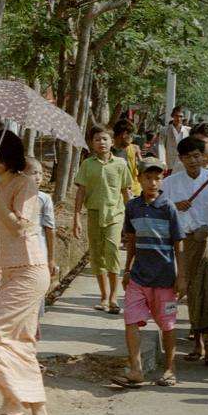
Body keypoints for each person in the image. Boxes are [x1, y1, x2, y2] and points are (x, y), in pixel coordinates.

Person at [113, 158, 186, 388]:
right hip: (138, 277)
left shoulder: (168, 207)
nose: (153, 182)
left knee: (168, 324)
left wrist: (181, 275)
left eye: (157, 178)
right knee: (131, 320)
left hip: (164, 279)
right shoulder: (132, 207)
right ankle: (136, 369)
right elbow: (131, 240)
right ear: (139, 179)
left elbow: (178, 243)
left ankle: (170, 369)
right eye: (148, 178)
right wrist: (127, 269)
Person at [0, 130, 51, 415]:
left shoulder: (24, 183)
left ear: (4, 159)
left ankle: (15, 400)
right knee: (21, 343)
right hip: (9, 270)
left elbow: (20, 227)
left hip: (30, 270)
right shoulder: (1, 184)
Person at [162, 137, 208, 365]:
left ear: (204, 156)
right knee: (190, 293)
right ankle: (197, 344)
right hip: (183, 243)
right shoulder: (169, 183)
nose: (192, 161)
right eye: (187, 157)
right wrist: (174, 206)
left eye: (197, 156)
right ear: (180, 159)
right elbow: (159, 209)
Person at [73, 125, 133, 313]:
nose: (101, 142)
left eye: (105, 139)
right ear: (92, 143)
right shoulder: (87, 164)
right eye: (97, 139)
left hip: (115, 214)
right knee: (97, 255)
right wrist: (75, 217)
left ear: (112, 142)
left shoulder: (121, 164)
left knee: (112, 251)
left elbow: (126, 191)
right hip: (93, 213)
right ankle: (104, 296)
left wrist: (132, 218)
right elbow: (81, 191)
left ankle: (114, 297)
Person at [23, 157, 57, 328]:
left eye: (40, 173)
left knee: (36, 291)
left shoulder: (44, 199)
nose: (38, 177)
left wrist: (51, 258)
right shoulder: (11, 196)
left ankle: (33, 327)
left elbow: (50, 229)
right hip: (17, 253)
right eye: (33, 173)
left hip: (38, 252)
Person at [113, 119, 142, 196]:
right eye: (131, 136)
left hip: (133, 192)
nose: (132, 139)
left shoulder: (133, 149)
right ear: (124, 134)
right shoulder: (107, 152)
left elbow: (142, 169)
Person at [164, 105, 191, 174]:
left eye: (181, 116)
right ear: (172, 116)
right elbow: (161, 147)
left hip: (183, 163)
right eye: (176, 116)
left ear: (184, 117)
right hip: (170, 163)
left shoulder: (188, 130)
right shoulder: (165, 130)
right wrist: (163, 163)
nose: (178, 118)